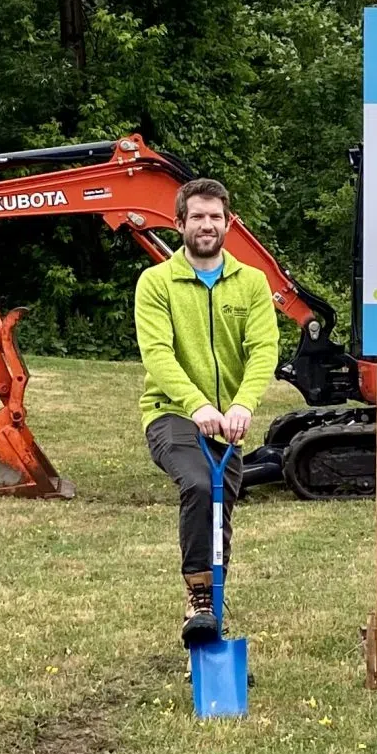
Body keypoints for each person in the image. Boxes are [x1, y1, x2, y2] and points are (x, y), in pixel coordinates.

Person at [136, 177, 281, 649]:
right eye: (197, 216)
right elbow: (157, 353)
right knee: (199, 483)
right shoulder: (156, 284)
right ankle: (198, 598)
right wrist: (196, 404)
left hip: (229, 417)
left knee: (221, 505)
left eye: (215, 217)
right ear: (179, 224)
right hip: (171, 412)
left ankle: (211, 617)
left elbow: (263, 349)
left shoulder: (252, 283)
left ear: (228, 223)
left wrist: (242, 403)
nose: (206, 225)